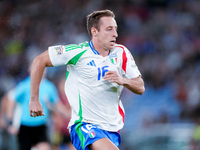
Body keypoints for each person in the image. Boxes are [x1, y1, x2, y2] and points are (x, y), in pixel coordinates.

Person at [29, 9, 145, 150]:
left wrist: (123, 80)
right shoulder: (78, 52)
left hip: (112, 129)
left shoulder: (122, 53)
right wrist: (34, 99)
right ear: (94, 31)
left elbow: (140, 87)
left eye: (115, 29)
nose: (115, 34)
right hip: (84, 125)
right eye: (109, 29)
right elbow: (39, 61)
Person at [5, 68, 70, 150]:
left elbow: (57, 104)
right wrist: (10, 122)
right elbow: (11, 99)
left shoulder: (49, 87)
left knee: (45, 147)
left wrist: (68, 114)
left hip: (41, 124)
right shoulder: (24, 85)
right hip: (25, 125)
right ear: (30, 70)